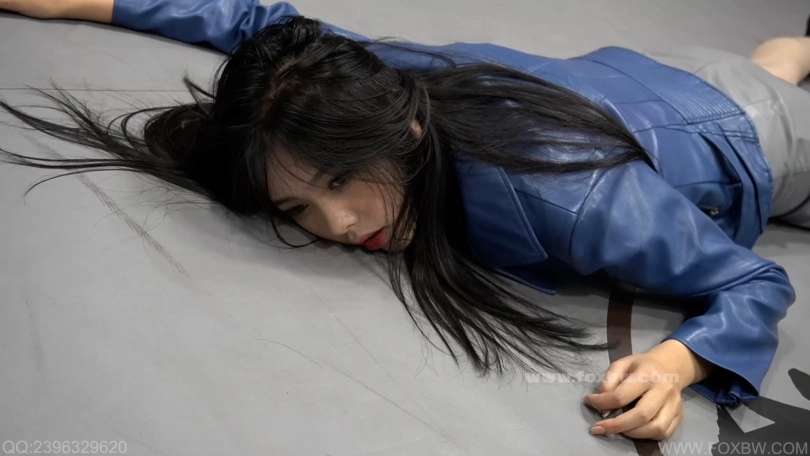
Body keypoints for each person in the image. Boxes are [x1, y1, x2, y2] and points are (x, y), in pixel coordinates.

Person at [0, 0, 807, 441]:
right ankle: (785, 55)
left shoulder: (576, 200)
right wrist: (95, 2)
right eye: (296, 208)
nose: (340, 223)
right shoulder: (367, 81)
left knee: (766, 91)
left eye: (342, 179)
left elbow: (752, 283)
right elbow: (260, 26)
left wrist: (676, 363)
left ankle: (785, 66)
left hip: (758, 138)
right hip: (636, 83)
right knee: (754, 69)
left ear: (406, 129)